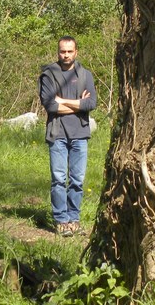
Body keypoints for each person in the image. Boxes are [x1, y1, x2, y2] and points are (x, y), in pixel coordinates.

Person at [39, 36, 97, 236]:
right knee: (58, 179)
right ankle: (61, 220)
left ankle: (74, 218)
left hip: (80, 134)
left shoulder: (85, 75)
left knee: (77, 180)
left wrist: (63, 101)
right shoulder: (48, 75)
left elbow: (91, 104)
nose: (66, 55)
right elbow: (50, 106)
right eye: (63, 51)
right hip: (57, 133)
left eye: (69, 51)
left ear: (76, 52)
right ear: (58, 52)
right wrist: (78, 105)